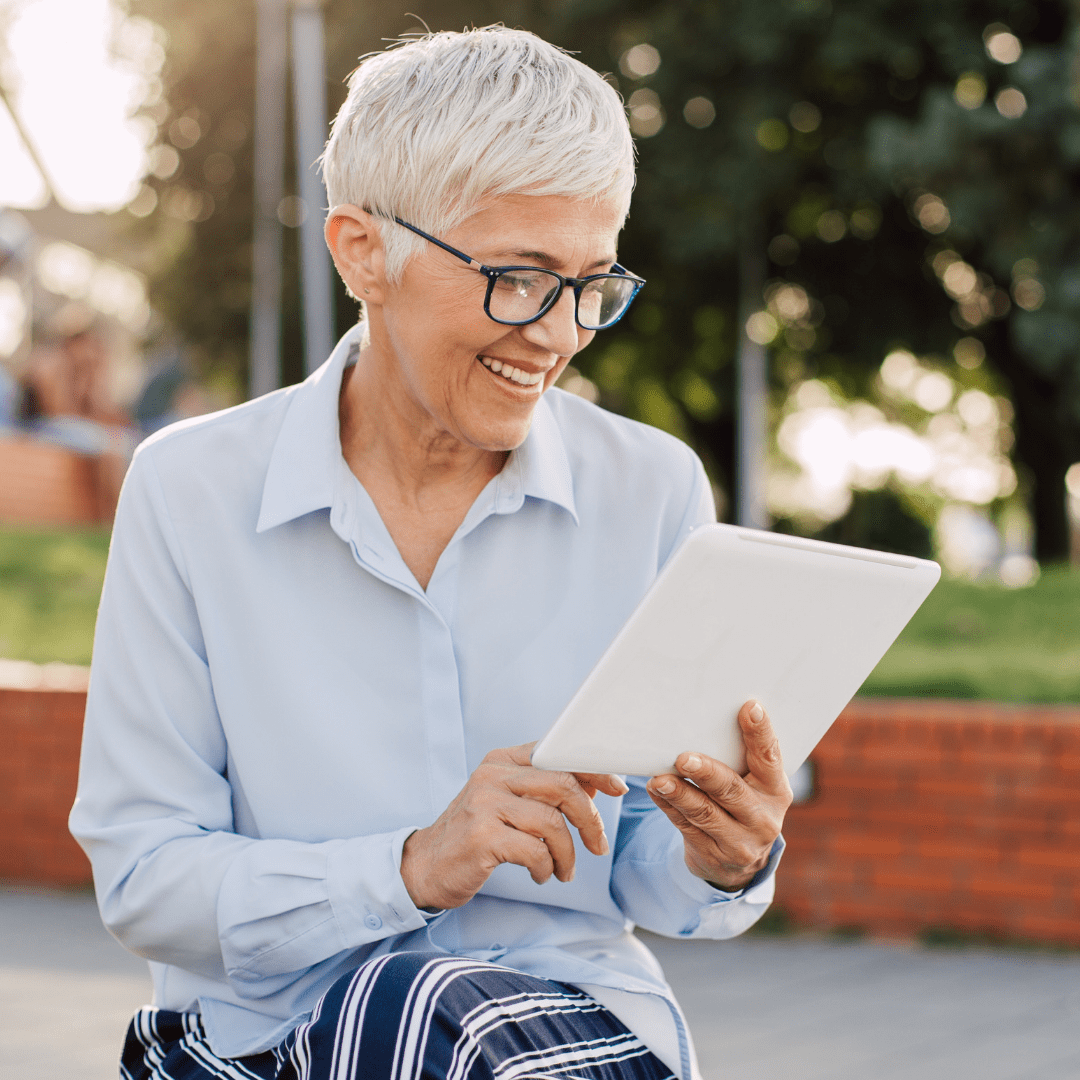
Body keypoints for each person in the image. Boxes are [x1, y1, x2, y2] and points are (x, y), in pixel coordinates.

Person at [70, 27, 792, 1080]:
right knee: (413, 1004)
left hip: (556, 1039)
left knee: (446, 1019)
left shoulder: (652, 489)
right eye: (519, 277)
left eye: (591, 284)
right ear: (364, 249)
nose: (558, 334)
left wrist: (723, 857)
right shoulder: (191, 493)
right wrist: (409, 870)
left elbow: (649, 872)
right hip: (268, 1041)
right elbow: (145, 880)